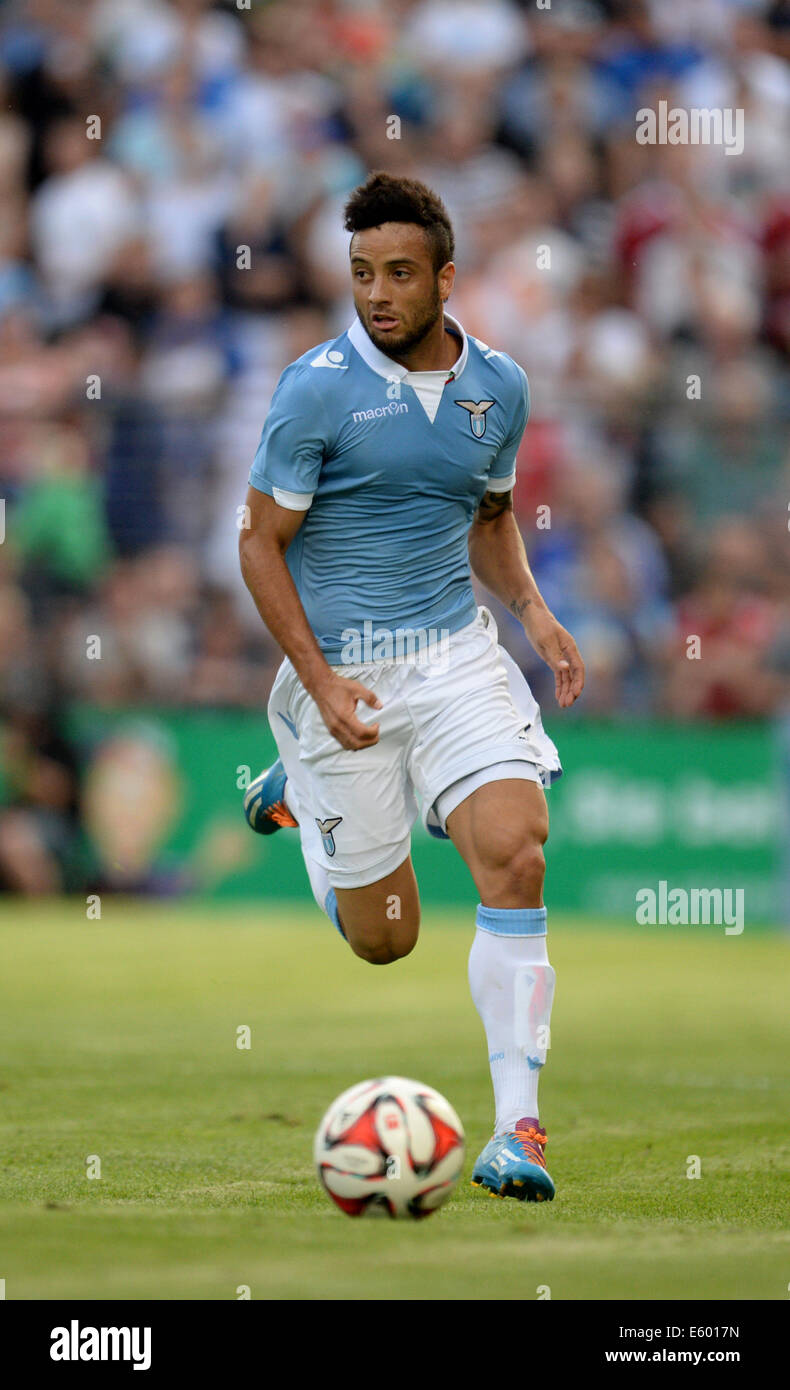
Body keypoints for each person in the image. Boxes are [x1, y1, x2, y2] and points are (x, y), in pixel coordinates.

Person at [238, 172, 584, 1202]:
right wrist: (318, 682)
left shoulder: (500, 389)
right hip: (342, 678)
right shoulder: (315, 389)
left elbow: (487, 514)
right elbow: (260, 543)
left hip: (452, 658)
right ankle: (297, 785)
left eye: (396, 273)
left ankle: (517, 1130)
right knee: (384, 940)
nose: (376, 293)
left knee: (516, 851)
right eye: (359, 274)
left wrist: (531, 609)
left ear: (444, 276)